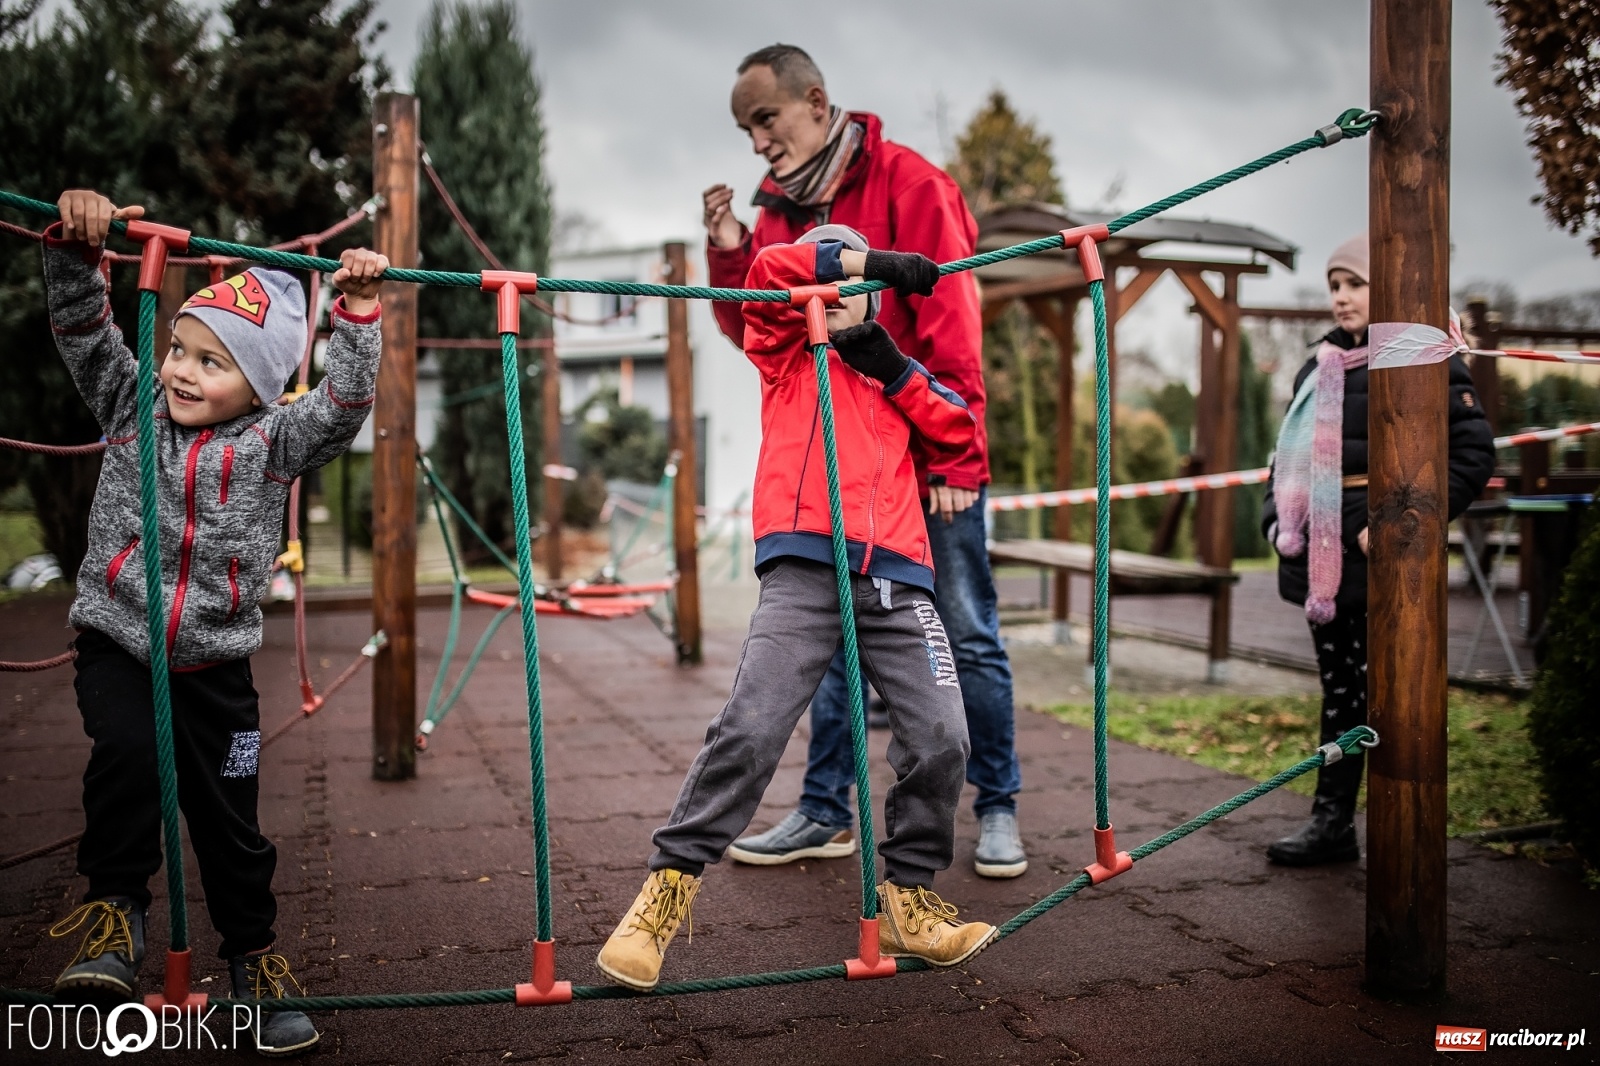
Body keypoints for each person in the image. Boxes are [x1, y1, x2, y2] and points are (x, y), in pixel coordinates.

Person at [596, 227, 997, 992]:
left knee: (944, 736)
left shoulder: (892, 370)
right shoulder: (784, 350)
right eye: (831, 271)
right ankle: (665, 893)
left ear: (873, 304)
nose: (838, 289)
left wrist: (890, 365)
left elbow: (958, 430)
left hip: (898, 576)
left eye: (853, 282)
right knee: (751, 726)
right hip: (806, 565)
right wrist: (870, 262)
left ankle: (909, 899)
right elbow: (768, 269)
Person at [43, 189, 386, 1056]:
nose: (183, 372)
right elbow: (86, 335)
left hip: (216, 665)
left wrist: (356, 312)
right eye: (180, 350)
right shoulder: (133, 410)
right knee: (126, 759)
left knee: (232, 824)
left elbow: (344, 405)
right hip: (119, 641)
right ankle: (114, 916)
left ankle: (253, 962)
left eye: (213, 362)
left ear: (261, 386)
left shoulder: (274, 442)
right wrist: (78, 251)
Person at [704, 43, 1028, 880]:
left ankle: (997, 805)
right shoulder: (777, 211)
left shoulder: (913, 184)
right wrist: (732, 251)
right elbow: (756, 329)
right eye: (746, 130)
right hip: (839, 468)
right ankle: (825, 810)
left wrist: (958, 461)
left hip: (922, 451)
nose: (757, 143)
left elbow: (953, 318)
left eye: (766, 119)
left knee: (965, 630)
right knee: (829, 637)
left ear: (815, 102)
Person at [1260, 232, 1494, 866]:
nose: (1341, 297)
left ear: (1385, 287)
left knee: (1393, 697)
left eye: (1355, 284)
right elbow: (1285, 458)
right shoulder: (1319, 368)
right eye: (1334, 285)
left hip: (1384, 562)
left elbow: (1473, 455)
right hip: (1323, 559)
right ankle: (1332, 821)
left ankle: (1406, 832)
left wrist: (1398, 526)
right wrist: (1274, 522)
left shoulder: (1424, 357)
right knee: (1340, 693)